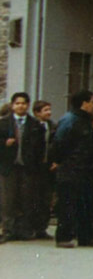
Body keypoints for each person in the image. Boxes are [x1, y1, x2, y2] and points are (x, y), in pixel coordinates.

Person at [52, 91, 93, 248]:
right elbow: (59, 143)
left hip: (86, 169)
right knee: (68, 204)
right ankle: (63, 237)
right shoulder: (70, 120)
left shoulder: (84, 120)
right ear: (84, 103)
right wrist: (61, 162)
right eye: (92, 102)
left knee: (87, 204)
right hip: (71, 169)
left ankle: (86, 237)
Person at [1, 93, 49, 242]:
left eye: (23, 103)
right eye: (17, 103)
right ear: (12, 105)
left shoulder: (35, 125)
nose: (20, 106)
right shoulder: (3, 123)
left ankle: (24, 230)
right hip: (9, 167)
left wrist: (36, 165)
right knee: (8, 200)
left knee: (26, 199)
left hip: (27, 167)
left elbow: (40, 148)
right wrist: (4, 144)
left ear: (28, 105)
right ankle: (8, 230)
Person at [30, 101, 55, 240]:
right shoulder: (32, 126)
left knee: (46, 198)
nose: (48, 113)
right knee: (34, 198)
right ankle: (32, 227)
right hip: (35, 167)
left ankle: (42, 228)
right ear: (37, 112)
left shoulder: (51, 126)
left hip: (48, 167)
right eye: (45, 110)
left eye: (49, 109)